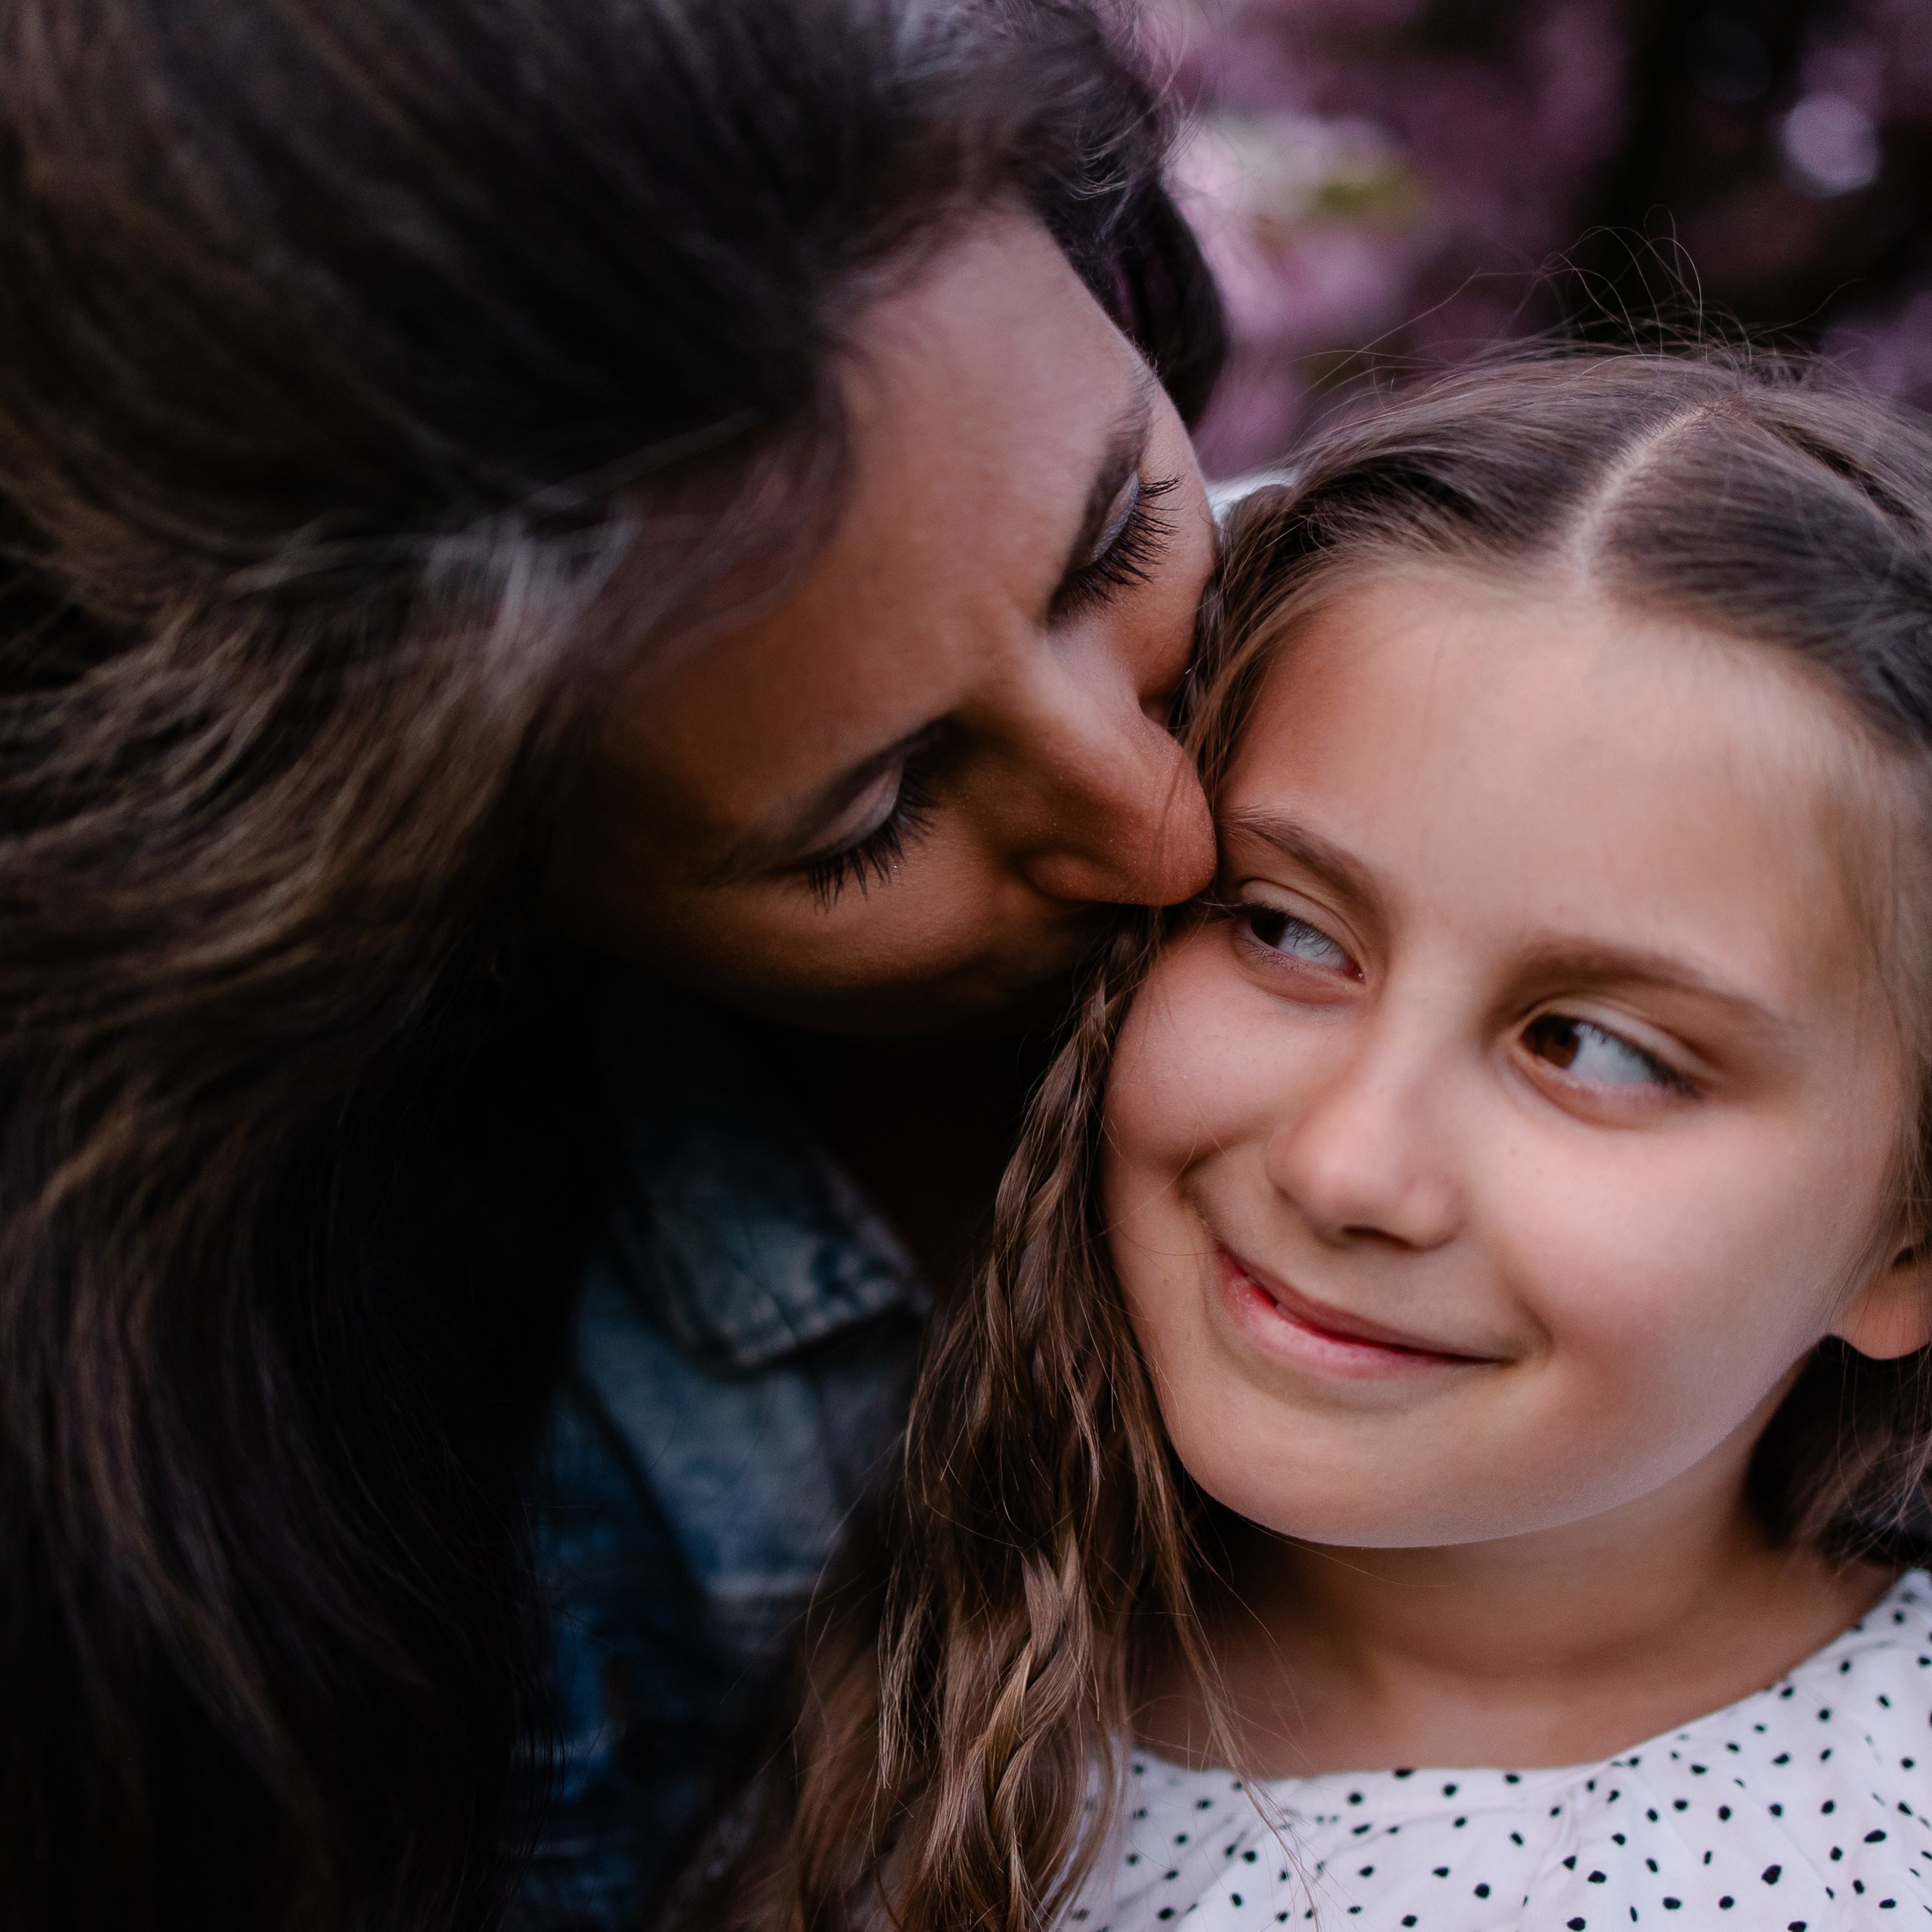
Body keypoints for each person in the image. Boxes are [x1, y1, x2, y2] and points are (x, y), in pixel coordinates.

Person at [0, 2, 1226, 1928]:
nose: (1158, 825)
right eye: (871, 817)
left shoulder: (1598, 658)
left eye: (1115, 537)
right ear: (440, 892)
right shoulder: (407, 1549)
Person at [728, 351, 1932, 1931]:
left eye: (1594, 1047)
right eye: (1289, 932)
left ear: (1903, 1243)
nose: (1345, 1165)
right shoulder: (900, 1752)